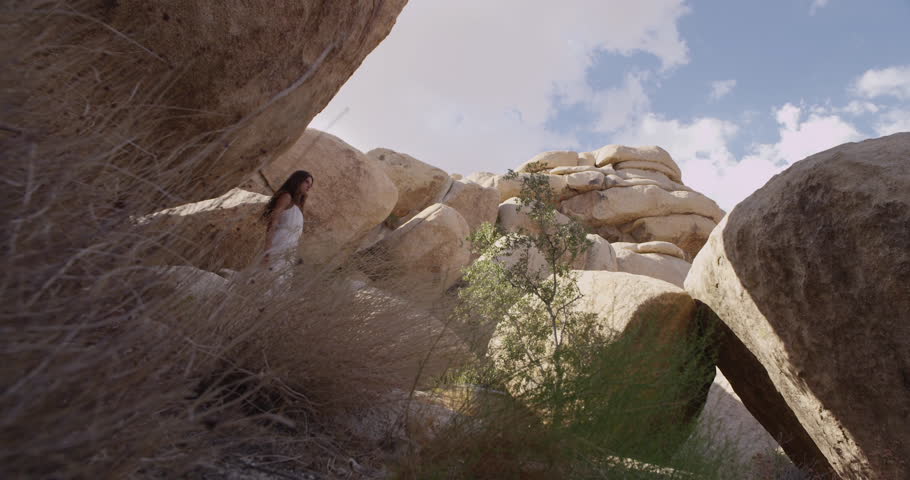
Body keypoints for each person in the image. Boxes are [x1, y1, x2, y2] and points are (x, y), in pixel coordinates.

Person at [261, 170, 313, 273]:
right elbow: (273, 222)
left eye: (310, 185)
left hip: (289, 249)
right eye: (307, 182)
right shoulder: (286, 197)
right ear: (298, 180)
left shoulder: (298, 205)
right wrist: (267, 249)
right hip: (278, 243)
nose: (309, 186)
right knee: (265, 276)